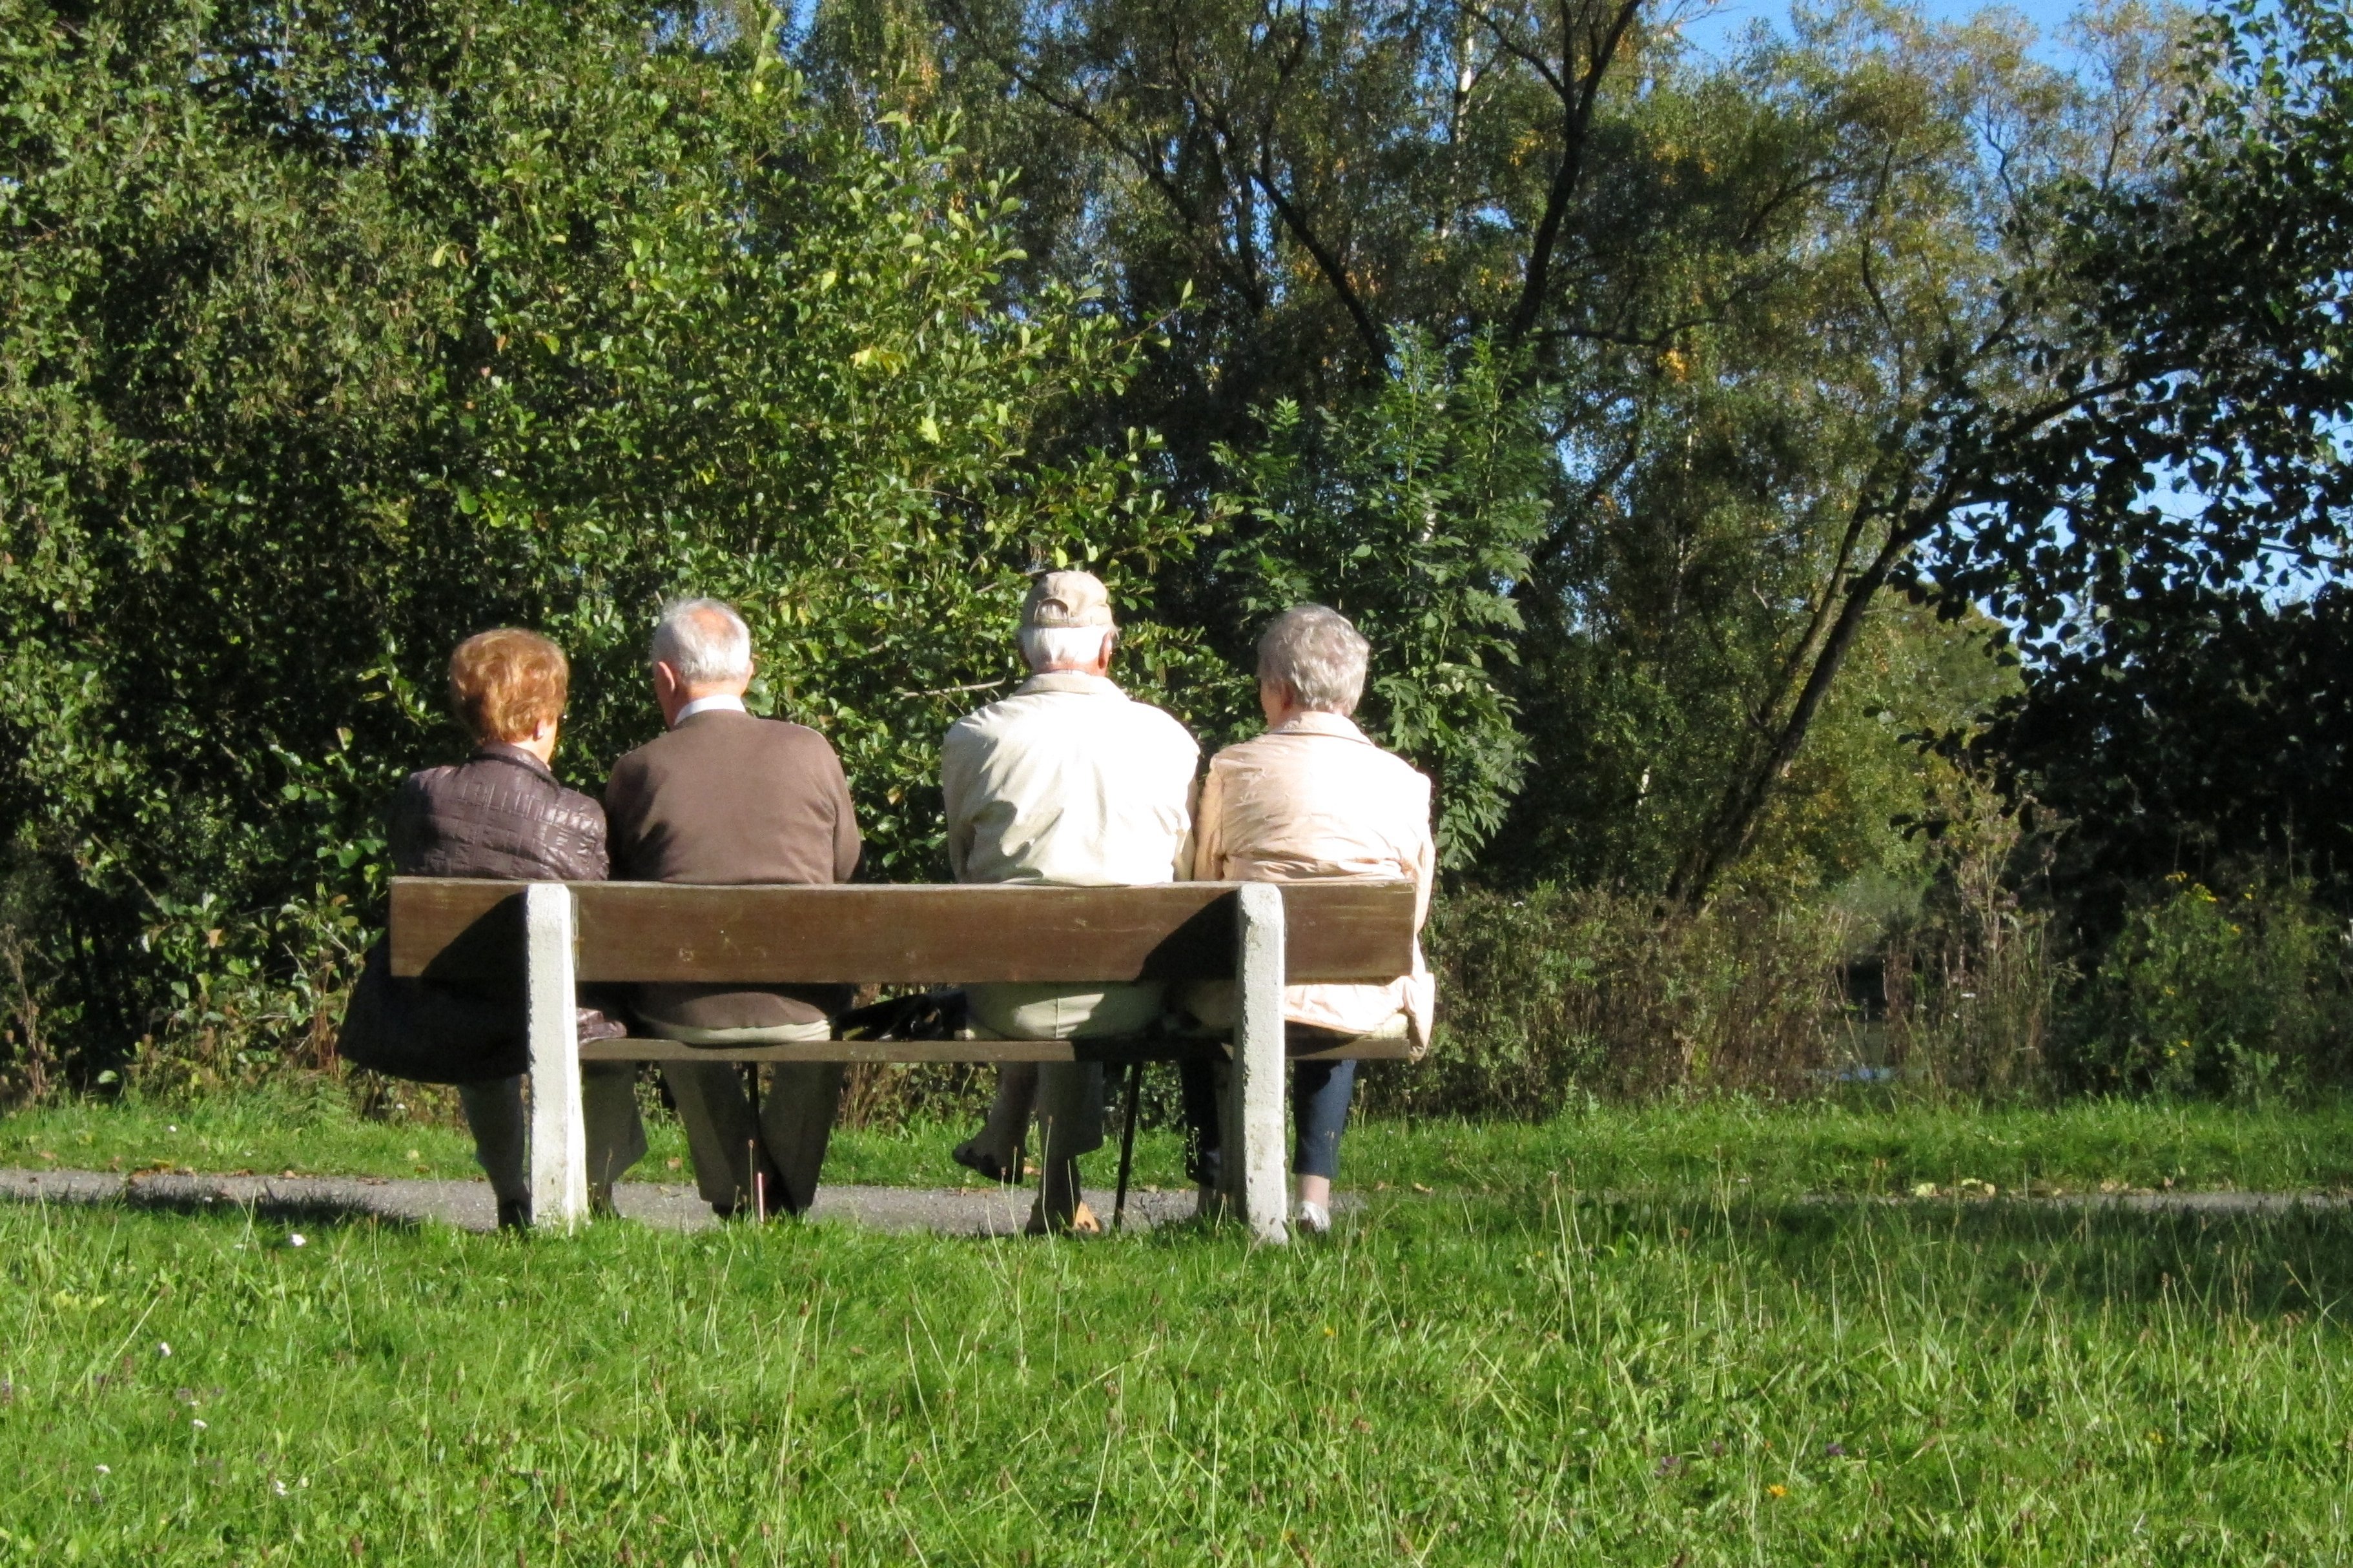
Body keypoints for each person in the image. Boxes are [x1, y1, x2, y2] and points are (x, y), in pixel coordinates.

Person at [941, 571, 1199, 1234]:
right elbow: (1182, 866)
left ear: (1024, 650)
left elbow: (964, 869)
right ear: (1108, 648)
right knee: (1089, 953)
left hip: (1005, 993)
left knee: (1042, 952)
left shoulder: (972, 738)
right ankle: (1055, 1191)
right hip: (1130, 988)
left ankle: (1031, 1164)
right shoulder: (1168, 738)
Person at [373, 628, 647, 1230]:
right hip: (557, 1011)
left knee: (485, 1045)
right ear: (547, 716)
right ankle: (596, 1193)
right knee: (607, 1045)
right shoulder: (576, 814)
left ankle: (512, 1194)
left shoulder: (421, 794)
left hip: (456, 1001)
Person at [1178, 605, 1435, 1236]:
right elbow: (1414, 907)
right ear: (1351, 691)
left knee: (1191, 1006)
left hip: (1236, 994)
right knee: (1341, 978)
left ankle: (1212, 1186)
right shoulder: (1402, 780)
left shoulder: (1233, 767)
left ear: (1279, 689)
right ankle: (1312, 1198)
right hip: (1354, 991)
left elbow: (1201, 879)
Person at [604, 598, 861, 1220]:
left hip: (687, 1004)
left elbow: (614, 888)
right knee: (818, 1024)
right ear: (748, 673)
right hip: (803, 1001)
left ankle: (744, 1192)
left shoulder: (640, 769)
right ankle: (778, 1201)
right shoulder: (812, 750)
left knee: (675, 1004)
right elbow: (846, 867)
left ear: (666, 679)